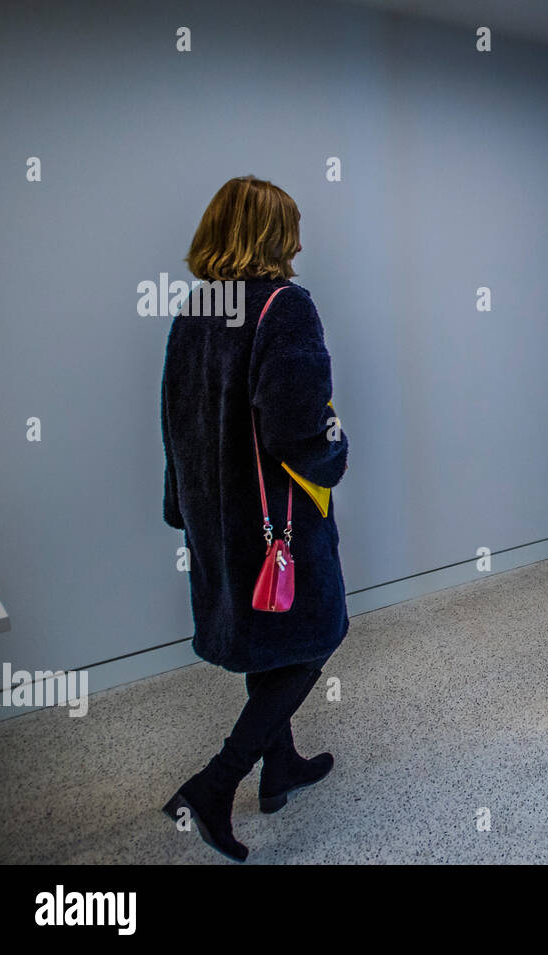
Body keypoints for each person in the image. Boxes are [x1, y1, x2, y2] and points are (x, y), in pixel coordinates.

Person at [159, 176, 349, 861]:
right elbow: (298, 429)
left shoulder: (195, 310)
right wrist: (336, 453)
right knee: (313, 637)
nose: (300, 240)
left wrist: (183, 506)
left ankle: (282, 763)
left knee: (265, 636)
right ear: (270, 235)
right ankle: (216, 783)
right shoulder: (286, 307)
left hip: (218, 520)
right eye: (291, 226)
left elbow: (173, 421)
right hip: (282, 525)